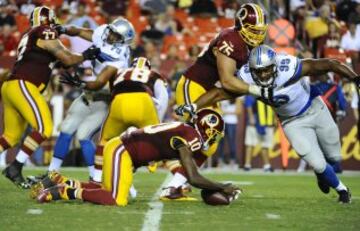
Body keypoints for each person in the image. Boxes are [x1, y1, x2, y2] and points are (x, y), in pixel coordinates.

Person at [177, 44, 360, 203]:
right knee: (317, 163)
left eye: (267, 69)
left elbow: (330, 64)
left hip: (314, 107)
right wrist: (193, 105)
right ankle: (342, 190)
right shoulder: (246, 78)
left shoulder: (289, 67)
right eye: (259, 71)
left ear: (275, 66)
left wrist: (355, 78)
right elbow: (219, 93)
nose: (263, 75)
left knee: (335, 157)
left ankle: (323, 176)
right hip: (291, 121)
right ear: (252, 70)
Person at [161, 3, 271, 200]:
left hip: (210, 92)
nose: (257, 35)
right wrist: (255, 89)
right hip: (193, 86)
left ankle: (177, 181)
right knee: (198, 134)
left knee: (210, 141)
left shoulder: (247, 46)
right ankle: (167, 174)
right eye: (253, 30)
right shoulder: (231, 39)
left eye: (260, 31)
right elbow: (228, 80)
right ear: (241, 26)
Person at [34, 109, 241, 206]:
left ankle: (59, 181)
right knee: (116, 199)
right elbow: (194, 177)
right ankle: (63, 192)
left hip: (121, 149)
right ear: (209, 132)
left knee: (105, 190)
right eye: (215, 136)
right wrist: (222, 186)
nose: (214, 141)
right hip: (122, 150)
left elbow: (187, 172)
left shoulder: (186, 130)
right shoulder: (191, 137)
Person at [0, 6, 100, 188]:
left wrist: (78, 62)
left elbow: (63, 61)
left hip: (12, 86)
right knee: (45, 128)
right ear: (49, 22)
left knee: (10, 137)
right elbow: (68, 58)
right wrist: (86, 54)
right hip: (24, 84)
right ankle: (15, 167)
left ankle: (15, 166)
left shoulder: (31, 34)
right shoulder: (43, 31)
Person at [44, 17, 135, 181]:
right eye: (111, 31)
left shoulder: (119, 56)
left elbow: (100, 82)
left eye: (115, 36)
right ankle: (51, 173)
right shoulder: (103, 34)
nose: (110, 36)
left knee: (83, 135)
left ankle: (96, 177)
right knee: (66, 129)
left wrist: (80, 83)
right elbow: (79, 31)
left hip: (105, 97)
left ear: (123, 41)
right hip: (88, 94)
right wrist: (63, 29)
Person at [61, 57, 169, 183]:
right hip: (144, 101)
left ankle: (96, 177)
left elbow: (111, 92)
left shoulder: (120, 72)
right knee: (159, 139)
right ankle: (153, 162)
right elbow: (163, 100)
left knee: (104, 140)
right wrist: (157, 125)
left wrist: (83, 84)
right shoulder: (154, 75)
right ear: (148, 68)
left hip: (119, 101)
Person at [243, 96, 274, 172]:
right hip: (255, 120)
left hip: (267, 121)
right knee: (250, 143)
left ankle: (267, 165)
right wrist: (251, 117)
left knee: (265, 145)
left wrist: (274, 119)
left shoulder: (270, 91)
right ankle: (247, 165)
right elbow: (249, 104)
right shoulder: (253, 91)